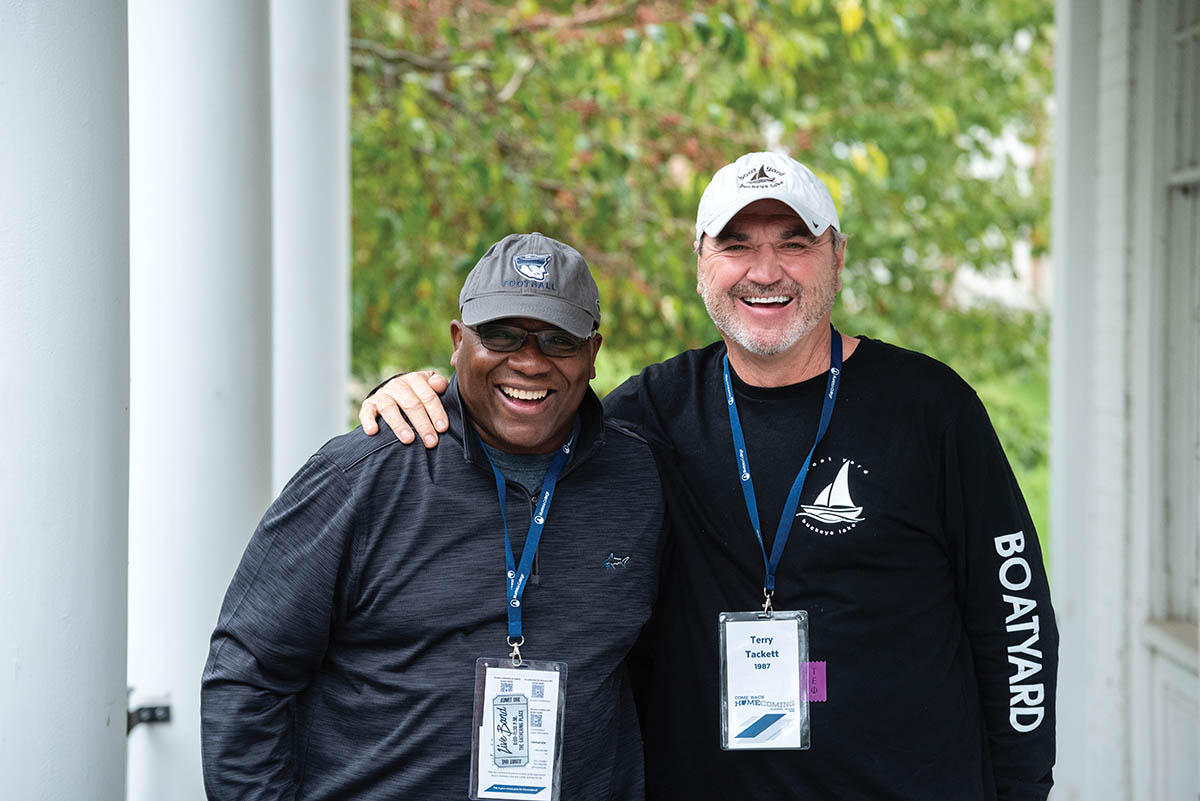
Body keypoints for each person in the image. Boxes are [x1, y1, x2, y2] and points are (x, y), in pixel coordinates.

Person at [360, 152, 1058, 800]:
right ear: (700, 263)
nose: (765, 270)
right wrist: (418, 393)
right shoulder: (649, 412)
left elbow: (1016, 619)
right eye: (736, 244)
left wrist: (1022, 788)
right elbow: (516, 414)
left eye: (793, 241)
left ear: (837, 259)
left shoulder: (929, 408)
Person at [202, 232, 664, 801]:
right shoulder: (362, 476)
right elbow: (247, 678)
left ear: (592, 354)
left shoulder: (641, 478)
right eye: (499, 334)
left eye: (557, 340)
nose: (528, 360)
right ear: (457, 341)